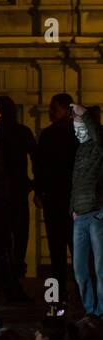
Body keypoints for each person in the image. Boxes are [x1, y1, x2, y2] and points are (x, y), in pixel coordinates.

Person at [33, 93, 77, 298]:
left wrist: (40, 190)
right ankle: (79, 288)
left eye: (54, 108)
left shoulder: (49, 134)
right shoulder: (76, 133)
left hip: (56, 197)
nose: (50, 112)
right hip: (69, 197)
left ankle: (60, 293)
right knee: (74, 245)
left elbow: (40, 166)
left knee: (57, 247)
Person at [0, 95, 36, 303]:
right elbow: (37, 159)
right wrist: (35, 185)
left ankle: (6, 281)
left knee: (3, 242)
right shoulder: (23, 132)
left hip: (0, 194)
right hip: (18, 192)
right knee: (19, 239)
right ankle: (14, 279)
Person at [69, 103, 103, 317]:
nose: (76, 127)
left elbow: (100, 139)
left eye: (79, 122)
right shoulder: (82, 148)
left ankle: (100, 313)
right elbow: (76, 180)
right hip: (80, 214)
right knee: (80, 269)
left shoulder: (100, 144)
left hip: (97, 212)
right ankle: (91, 311)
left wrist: (86, 115)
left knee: (100, 269)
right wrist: (72, 208)